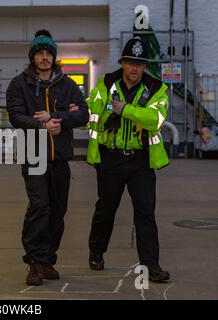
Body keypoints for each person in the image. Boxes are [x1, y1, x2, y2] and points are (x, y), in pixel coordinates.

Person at [6, 29, 89, 286]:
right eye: (40, 53)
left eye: (48, 53)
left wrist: (57, 117)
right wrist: (42, 126)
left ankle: (46, 260)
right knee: (40, 207)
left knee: (57, 210)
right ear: (33, 57)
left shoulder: (67, 84)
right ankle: (33, 262)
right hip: (34, 158)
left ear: (54, 57)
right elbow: (16, 116)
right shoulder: (19, 84)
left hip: (60, 158)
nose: (44, 57)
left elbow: (83, 114)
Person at [86, 37, 170, 282]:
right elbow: (91, 110)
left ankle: (151, 265)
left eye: (140, 64)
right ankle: (96, 252)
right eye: (130, 62)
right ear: (122, 63)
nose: (135, 68)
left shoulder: (157, 89)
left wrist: (125, 110)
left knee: (145, 212)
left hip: (141, 162)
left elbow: (155, 119)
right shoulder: (106, 84)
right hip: (110, 159)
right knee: (105, 209)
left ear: (145, 67)